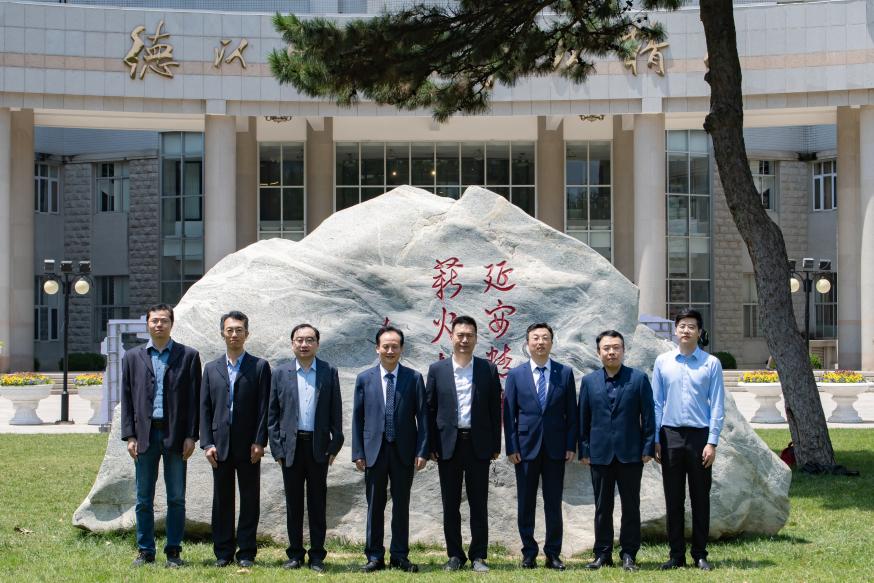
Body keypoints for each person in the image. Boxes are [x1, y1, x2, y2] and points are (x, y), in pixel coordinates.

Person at [120, 303, 202, 568]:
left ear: (171, 324)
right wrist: (129, 436)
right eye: (154, 321)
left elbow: (195, 400)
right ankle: (145, 550)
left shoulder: (188, 356)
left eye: (164, 320)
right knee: (143, 498)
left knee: (176, 497)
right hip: (144, 436)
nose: (159, 325)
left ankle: (174, 551)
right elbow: (127, 399)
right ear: (147, 324)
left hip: (175, 435)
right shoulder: (132, 357)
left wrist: (191, 435)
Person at [426, 315, 502, 572]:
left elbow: (495, 409)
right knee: (450, 504)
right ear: (451, 337)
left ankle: (479, 555)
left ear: (476, 339)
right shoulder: (437, 370)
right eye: (460, 335)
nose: (464, 340)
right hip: (448, 445)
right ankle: (455, 555)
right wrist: (431, 445)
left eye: (469, 335)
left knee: (479, 503)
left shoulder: (487, 369)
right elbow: (430, 410)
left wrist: (495, 444)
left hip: (478, 445)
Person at [653, 308, 725, 571]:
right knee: (673, 499)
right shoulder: (662, 362)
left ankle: (700, 554)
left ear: (699, 332)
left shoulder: (711, 363)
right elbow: (656, 403)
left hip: (699, 437)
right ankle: (676, 555)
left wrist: (712, 442)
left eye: (691, 326)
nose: (686, 330)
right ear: (675, 330)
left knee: (700, 498)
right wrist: (656, 439)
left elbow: (717, 405)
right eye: (682, 325)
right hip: (670, 436)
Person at [268, 323, 344, 573]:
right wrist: (277, 450)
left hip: (318, 447)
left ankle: (317, 555)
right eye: (299, 340)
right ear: (292, 344)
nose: (304, 344)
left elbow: (336, 412)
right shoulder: (280, 373)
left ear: (317, 344)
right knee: (293, 504)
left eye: (309, 340)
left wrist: (334, 446)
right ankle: (295, 554)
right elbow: (272, 415)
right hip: (290, 448)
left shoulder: (328, 371)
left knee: (317, 503)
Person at [352, 325, 429, 573]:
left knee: (401, 506)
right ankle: (374, 556)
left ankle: (399, 555)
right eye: (385, 346)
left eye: (395, 346)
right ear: (377, 348)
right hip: (374, 451)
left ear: (401, 349)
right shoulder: (364, 378)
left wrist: (422, 450)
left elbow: (423, 418)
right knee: (375, 505)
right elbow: (357, 418)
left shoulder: (413, 378)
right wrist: (358, 452)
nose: (390, 350)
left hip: (404, 451)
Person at [199, 311, 272, 568]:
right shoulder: (211, 368)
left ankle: (247, 552)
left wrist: (260, 441)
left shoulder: (259, 366)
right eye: (229, 330)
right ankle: (223, 552)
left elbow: (265, 407)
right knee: (222, 500)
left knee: (249, 499)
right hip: (219, 445)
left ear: (246, 334)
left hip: (249, 445)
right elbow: (204, 408)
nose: (234, 335)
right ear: (222, 333)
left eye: (239, 330)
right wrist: (207, 443)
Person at [579, 329, 655, 572]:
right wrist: (584, 449)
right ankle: (602, 553)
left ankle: (629, 554)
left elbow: (648, 416)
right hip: (599, 454)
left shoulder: (638, 379)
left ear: (623, 350)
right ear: (598, 352)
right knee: (602, 507)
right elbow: (583, 419)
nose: (611, 352)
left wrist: (648, 446)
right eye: (606, 348)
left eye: (616, 347)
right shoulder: (589, 382)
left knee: (631, 506)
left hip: (631, 453)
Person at [503, 322, 577, 571]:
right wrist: (511, 446)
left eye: (545, 338)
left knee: (553, 503)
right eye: (535, 338)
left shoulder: (564, 373)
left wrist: (570, 444)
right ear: (527, 343)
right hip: (525, 449)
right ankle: (529, 552)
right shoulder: (516, 374)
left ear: (552, 342)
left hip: (556, 448)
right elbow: (509, 414)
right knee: (526, 502)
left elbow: (572, 413)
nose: (540, 342)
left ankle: (553, 553)